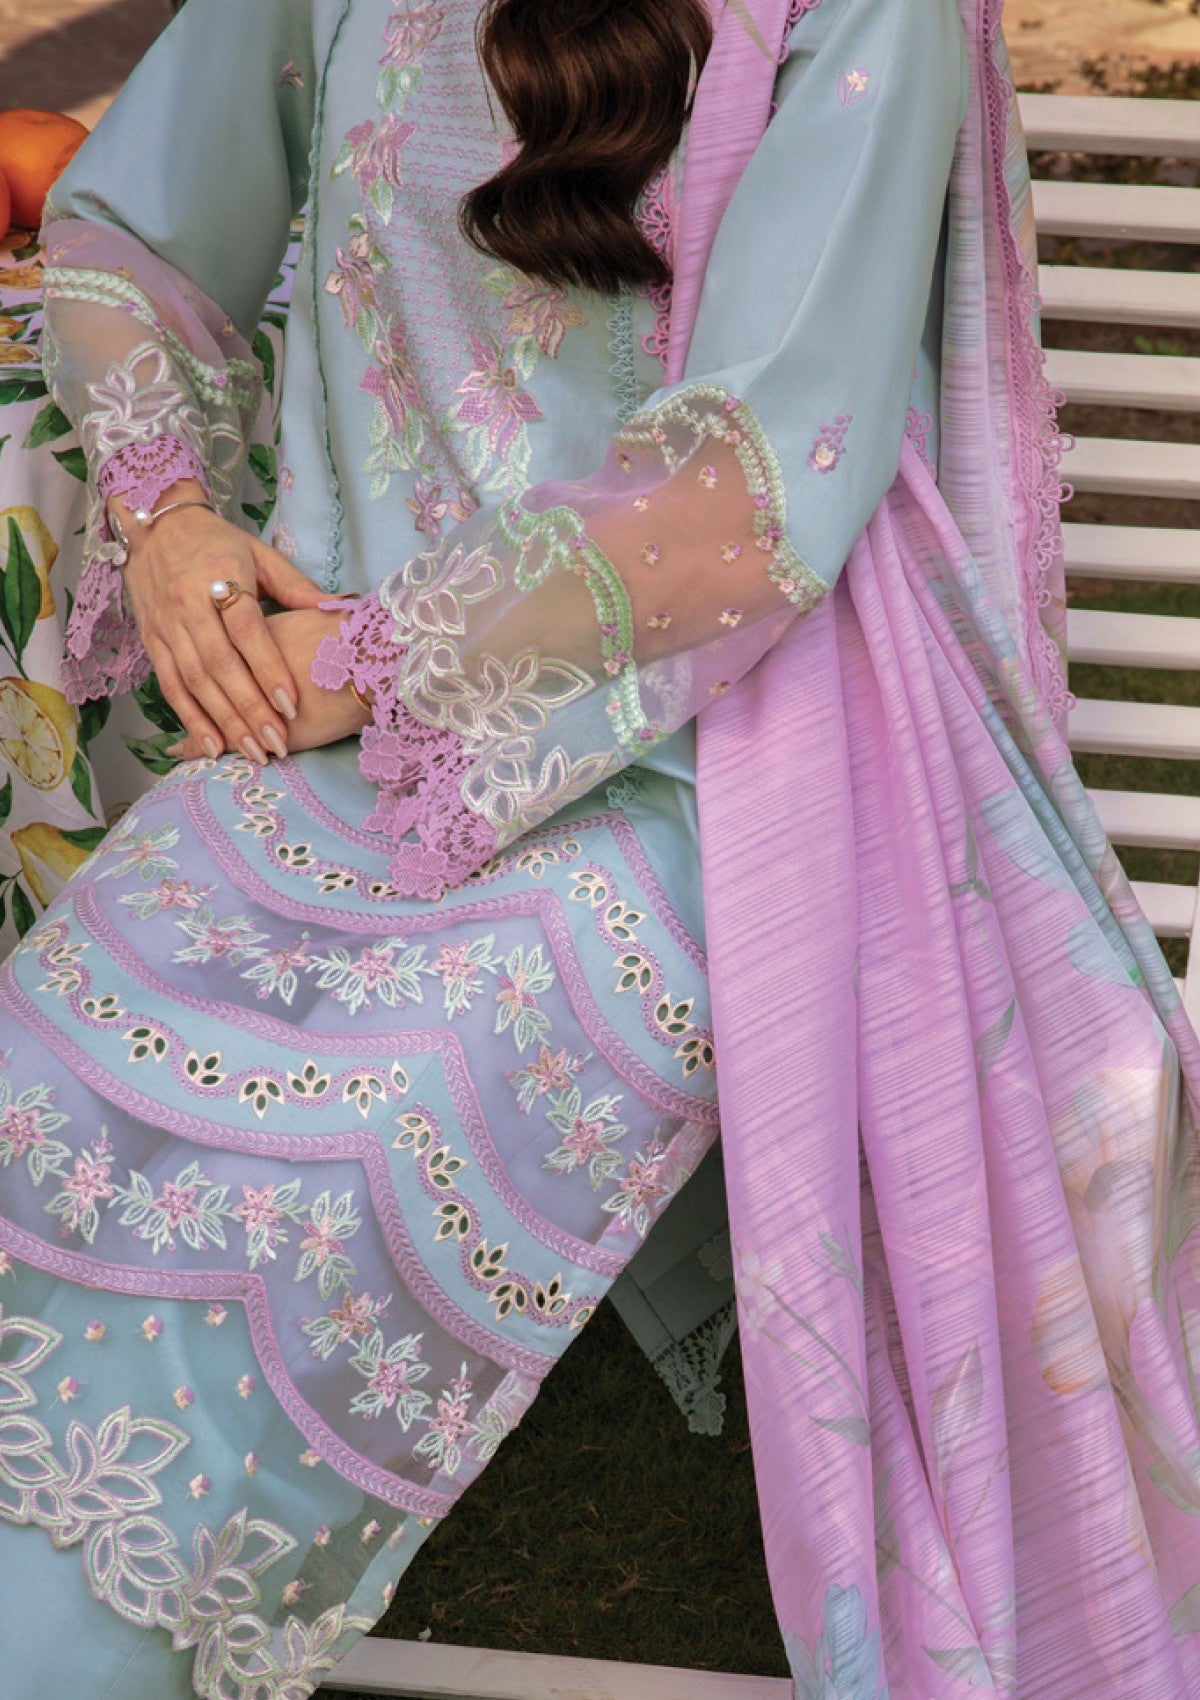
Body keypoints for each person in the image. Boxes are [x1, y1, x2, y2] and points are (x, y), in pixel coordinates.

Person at [1, 0, 1198, 1695]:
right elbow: (132, 229)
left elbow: (759, 479)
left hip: (704, 754)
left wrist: (367, 663)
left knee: (325, 1189)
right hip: (325, 740)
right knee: (40, 1089)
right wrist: (171, 512)